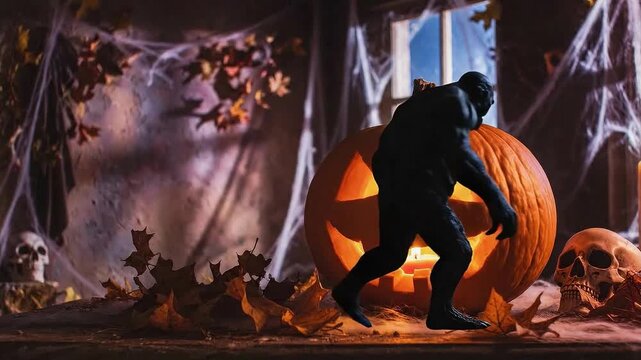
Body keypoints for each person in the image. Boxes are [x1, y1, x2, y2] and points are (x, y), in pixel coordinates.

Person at [331, 71, 517, 330]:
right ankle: (440, 312)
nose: (484, 114)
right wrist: (497, 201)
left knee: (393, 253)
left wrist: (391, 187)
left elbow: (383, 154)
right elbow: (462, 159)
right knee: (459, 251)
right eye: (488, 105)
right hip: (421, 191)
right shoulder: (457, 101)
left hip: (395, 188)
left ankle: (347, 289)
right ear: (481, 94)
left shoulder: (417, 106)